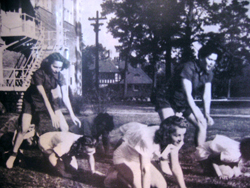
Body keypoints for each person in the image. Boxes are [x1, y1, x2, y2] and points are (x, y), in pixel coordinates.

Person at [6, 52, 81, 169]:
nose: (57, 70)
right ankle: (13, 154)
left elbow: (65, 97)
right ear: (48, 64)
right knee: (24, 128)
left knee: (65, 127)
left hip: (49, 100)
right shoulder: (38, 73)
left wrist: (72, 115)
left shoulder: (60, 76)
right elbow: (42, 96)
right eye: (55, 66)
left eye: (60, 67)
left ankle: (62, 153)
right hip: (31, 100)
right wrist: (51, 114)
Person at [152, 42, 222, 146]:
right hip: (167, 99)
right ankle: (164, 158)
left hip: (182, 102)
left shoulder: (209, 73)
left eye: (214, 61)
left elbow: (206, 95)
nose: (212, 63)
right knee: (172, 129)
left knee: (202, 123)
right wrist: (197, 115)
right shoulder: (188, 67)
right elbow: (187, 94)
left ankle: (200, 155)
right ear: (201, 57)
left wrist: (206, 114)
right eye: (210, 59)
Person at [104, 116, 188, 188]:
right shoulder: (147, 137)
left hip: (141, 159)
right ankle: (116, 174)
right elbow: (145, 170)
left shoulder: (176, 141)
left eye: (183, 134)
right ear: (166, 134)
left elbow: (175, 166)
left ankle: (127, 175)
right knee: (138, 186)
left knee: (161, 186)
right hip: (125, 158)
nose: (181, 139)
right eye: (177, 135)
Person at [38, 131, 104, 178]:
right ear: (81, 147)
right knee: (59, 165)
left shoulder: (89, 142)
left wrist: (93, 171)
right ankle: (45, 158)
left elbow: (90, 155)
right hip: (46, 142)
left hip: (59, 140)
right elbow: (51, 157)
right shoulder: (67, 144)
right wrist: (63, 174)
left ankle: (61, 156)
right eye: (85, 151)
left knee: (74, 169)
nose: (87, 153)